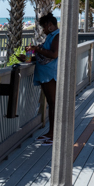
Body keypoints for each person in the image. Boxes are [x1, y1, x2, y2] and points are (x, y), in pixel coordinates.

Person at [31, 12, 59, 146]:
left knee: (53, 103)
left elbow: (54, 54)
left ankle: (53, 134)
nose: (42, 29)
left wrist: (37, 49)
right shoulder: (50, 36)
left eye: (43, 27)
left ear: (50, 25)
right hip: (45, 74)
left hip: (51, 74)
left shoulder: (57, 36)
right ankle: (51, 132)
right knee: (51, 103)